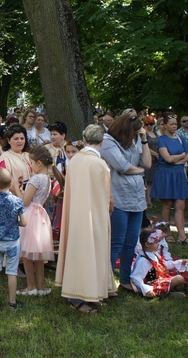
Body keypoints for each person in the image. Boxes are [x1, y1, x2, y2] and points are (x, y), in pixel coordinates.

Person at [55, 125, 116, 314]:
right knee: (92, 251)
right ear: (102, 142)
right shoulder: (99, 164)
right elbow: (107, 197)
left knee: (79, 251)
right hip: (93, 215)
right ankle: (81, 296)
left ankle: (87, 291)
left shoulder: (74, 160)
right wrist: (109, 208)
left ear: (84, 138)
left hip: (75, 213)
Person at [100, 114, 151, 292]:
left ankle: (125, 279)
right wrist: (140, 171)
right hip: (119, 198)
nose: (136, 135)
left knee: (131, 242)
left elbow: (147, 163)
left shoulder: (133, 142)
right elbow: (123, 167)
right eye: (135, 133)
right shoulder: (107, 142)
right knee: (116, 242)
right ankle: (106, 284)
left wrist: (144, 140)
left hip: (136, 199)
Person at [17, 145, 58, 296]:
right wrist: (23, 190)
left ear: (39, 163)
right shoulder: (47, 178)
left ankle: (31, 286)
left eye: (32, 163)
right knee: (39, 256)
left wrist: (16, 188)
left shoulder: (35, 178)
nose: (30, 166)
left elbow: (25, 201)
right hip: (40, 214)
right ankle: (40, 287)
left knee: (27, 255)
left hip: (31, 216)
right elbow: (34, 197)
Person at [0, 169, 26, 310]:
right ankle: (13, 302)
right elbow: (24, 222)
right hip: (12, 242)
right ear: (11, 183)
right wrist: (15, 223)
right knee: (12, 272)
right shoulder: (17, 201)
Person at [150, 115, 188, 244]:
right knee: (167, 204)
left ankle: (182, 234)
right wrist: (181, 156)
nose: (174, 126)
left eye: (175, 124)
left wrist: (178, 160)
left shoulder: (181, 138)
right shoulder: (162, 140)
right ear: (165, 125)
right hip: (166, 174)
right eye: (171, 124)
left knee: (181, 205)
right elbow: (168, 158)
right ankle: (167, 232)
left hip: (178, 174)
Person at [130, 229, 188, 298]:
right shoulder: (143, 260)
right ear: (147, 244)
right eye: (156, 242)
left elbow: (164, 265)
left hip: (160, 278)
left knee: (182, 273)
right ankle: (167, 293)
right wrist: (146, 289)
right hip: (152, 285)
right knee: (179, 279)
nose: (159, 244)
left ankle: (170, 291)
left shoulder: (154, 254)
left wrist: (179, 263)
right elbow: (135, 277)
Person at [0, 125, 32, 199]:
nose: (20, 141)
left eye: (22, 138)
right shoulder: (5, 158)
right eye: (16, 139)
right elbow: (3, 181)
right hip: (14, 198)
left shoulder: (29, 156)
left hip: (31, 196)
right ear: (9, 140)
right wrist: (21, 192)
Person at [143, 116, 159, 208]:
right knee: (148, 181)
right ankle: (148, 201)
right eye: (147, 124)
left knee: (153, 180)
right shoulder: (144, 134)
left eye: (152, 124)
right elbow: (144, 147)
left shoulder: (154, 133)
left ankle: (152, 198)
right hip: (149, 158)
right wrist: (155, 154)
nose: (149, 126)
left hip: (156, 160)